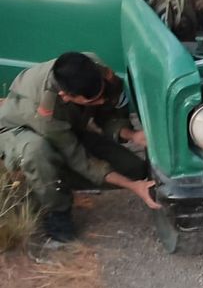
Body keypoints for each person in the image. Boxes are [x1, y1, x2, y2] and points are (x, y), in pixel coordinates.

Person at [0, 51, 160, 242]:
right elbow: (78, 158)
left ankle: (55, 173)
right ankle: (57, 211)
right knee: (38, 152)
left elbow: (109, 111)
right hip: (18, 132)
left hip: (67, 129)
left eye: (101, 95)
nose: (100, 101)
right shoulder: (46, 109)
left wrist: (132, 135)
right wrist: (133, 187)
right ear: (66, 96)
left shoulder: (95, 68)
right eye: (93, 102)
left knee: (134, 169)